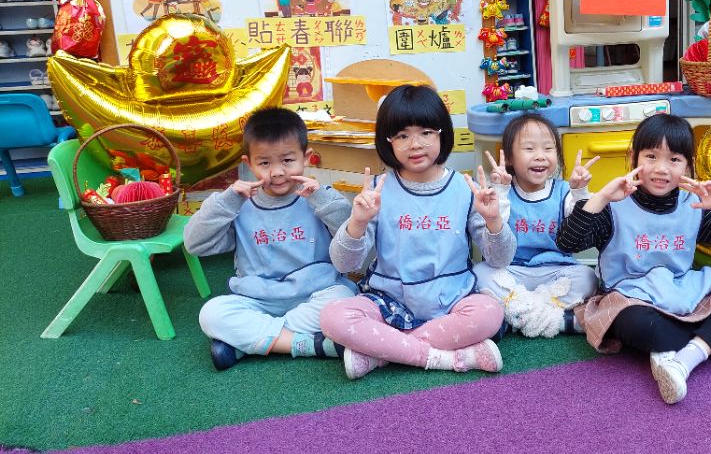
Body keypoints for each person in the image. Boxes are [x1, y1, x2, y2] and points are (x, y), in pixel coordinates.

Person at [556, 113, 711, 405]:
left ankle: (685, 358)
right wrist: (602, 196)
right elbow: (567, 243)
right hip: (630, 298)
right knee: (637, 325)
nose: (661, 168)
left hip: (684, 291)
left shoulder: (691, 205)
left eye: (674, 159)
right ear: (633, 157)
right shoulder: (615, 205)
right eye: (651, 156)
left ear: (688, 166)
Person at [319, 84, 512, 379]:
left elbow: (500, 259)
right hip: (387, 301)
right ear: (388, 141)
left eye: (426, 132)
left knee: (490, 313)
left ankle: (383, 354)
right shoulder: (377, 190)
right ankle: (445, 357)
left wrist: (494, 221)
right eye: (402, 135)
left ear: (442, 134)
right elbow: (344, 264)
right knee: (333, 317)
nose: (415, 144)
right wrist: (357, 223)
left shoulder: (465, 188)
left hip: (452, 301)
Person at [184, 108, 357, 370]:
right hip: (258, 301)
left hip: (315, 295)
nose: (277, 172)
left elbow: (351, 237)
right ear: (249, 163)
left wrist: (321, 198)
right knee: (211, 314)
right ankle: (310, 344)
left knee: (345, 297)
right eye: (264, 163)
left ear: (306, 157)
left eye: (287, 160)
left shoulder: (318, 197)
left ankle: (249, 343)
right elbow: (194, 244)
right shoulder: (238, 204)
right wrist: (226, 201)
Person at [473, 114, 599, 338]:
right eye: (529, 149)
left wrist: (580, 193)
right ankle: (558, 321)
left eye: (548, 148)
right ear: (509, 158)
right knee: (479, 273)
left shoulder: (564, 191)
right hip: (512, 271)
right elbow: (496, 242)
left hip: (556, 271)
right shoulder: (502, 192)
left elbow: (581, 229)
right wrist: (500, 192)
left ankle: (515, 317)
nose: (540, 156)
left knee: (588, 278)